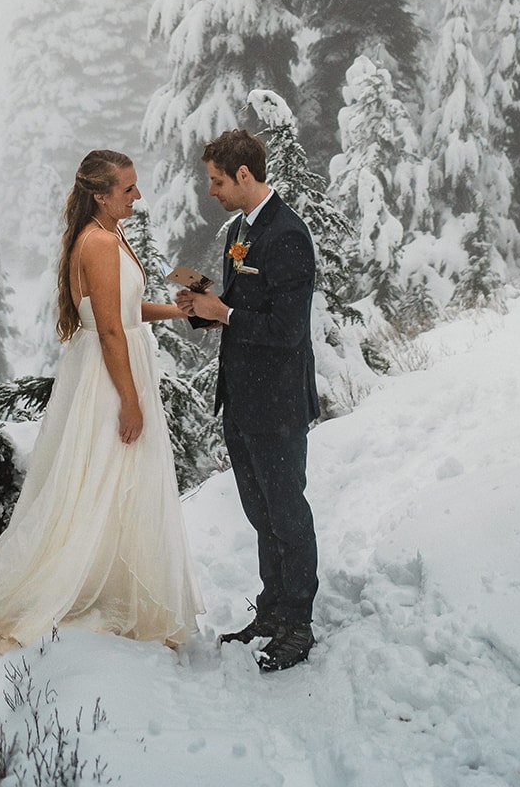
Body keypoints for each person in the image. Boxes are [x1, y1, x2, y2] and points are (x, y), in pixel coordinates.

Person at [0, 149, 203, 653]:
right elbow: (112, 331)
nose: (138, 196)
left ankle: (106, 577)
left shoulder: (107, 234)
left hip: (113, 369)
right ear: (101, 195)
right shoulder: (97, 243)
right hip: (109, 377)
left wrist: (179, 311)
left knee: (111, 478)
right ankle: (71, 584)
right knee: (100, 476)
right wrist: (131, 401)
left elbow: (122, 309)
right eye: (128, 189)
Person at [176, 128, 318, 673]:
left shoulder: (287, 235)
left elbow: (288, 330)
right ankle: (272, 611)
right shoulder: (241, 230)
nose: (210, 190)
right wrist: (200, 303)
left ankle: (298, 623)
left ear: (243, 175)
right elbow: (234, 302)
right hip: (240, 401)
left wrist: (226, 314)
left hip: (278, 404)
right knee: (261, 513)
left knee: (288, 512)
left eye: (216, 181)